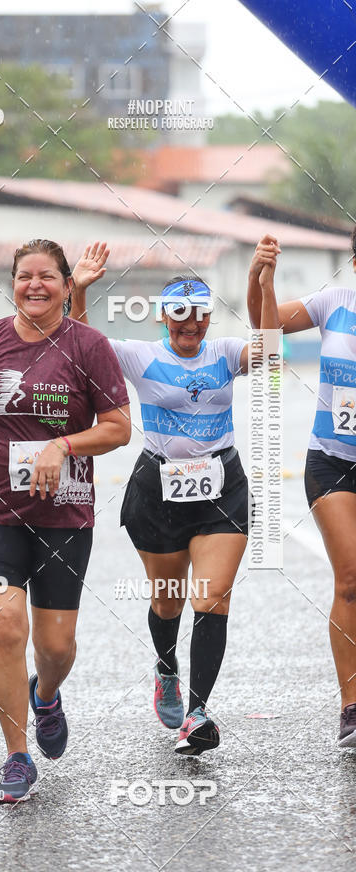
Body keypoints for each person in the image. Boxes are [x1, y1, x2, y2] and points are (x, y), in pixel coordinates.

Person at [71, 241, 279, 755]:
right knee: (169, 600)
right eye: (179, 317)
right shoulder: (141, 355)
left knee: (211, 596)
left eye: (199, 317)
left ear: (209, 318)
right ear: (165, 318)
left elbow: (272, 349)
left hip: (221, 487)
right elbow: (79, 349)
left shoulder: (226, 353)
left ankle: (199, 712)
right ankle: (167, 669)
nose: (190, 326)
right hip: (157, 491)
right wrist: (78, 290)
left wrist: (263, 281)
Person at [0, 239, 130, 802]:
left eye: (47, 276)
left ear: (67, 285)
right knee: (5, 627)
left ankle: (45, 694)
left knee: (56, 645)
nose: (35, 286)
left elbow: (118, 427)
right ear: (13, 282)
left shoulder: (88, 346)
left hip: (63, 515)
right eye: (25, 276)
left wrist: (63, 444)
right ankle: (16, 757)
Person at [248, 230, 356, 748]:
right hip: (333, 461)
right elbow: (267, 337)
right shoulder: (335, 302)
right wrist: (264, 280)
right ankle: (352, 706)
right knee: (352, 577)